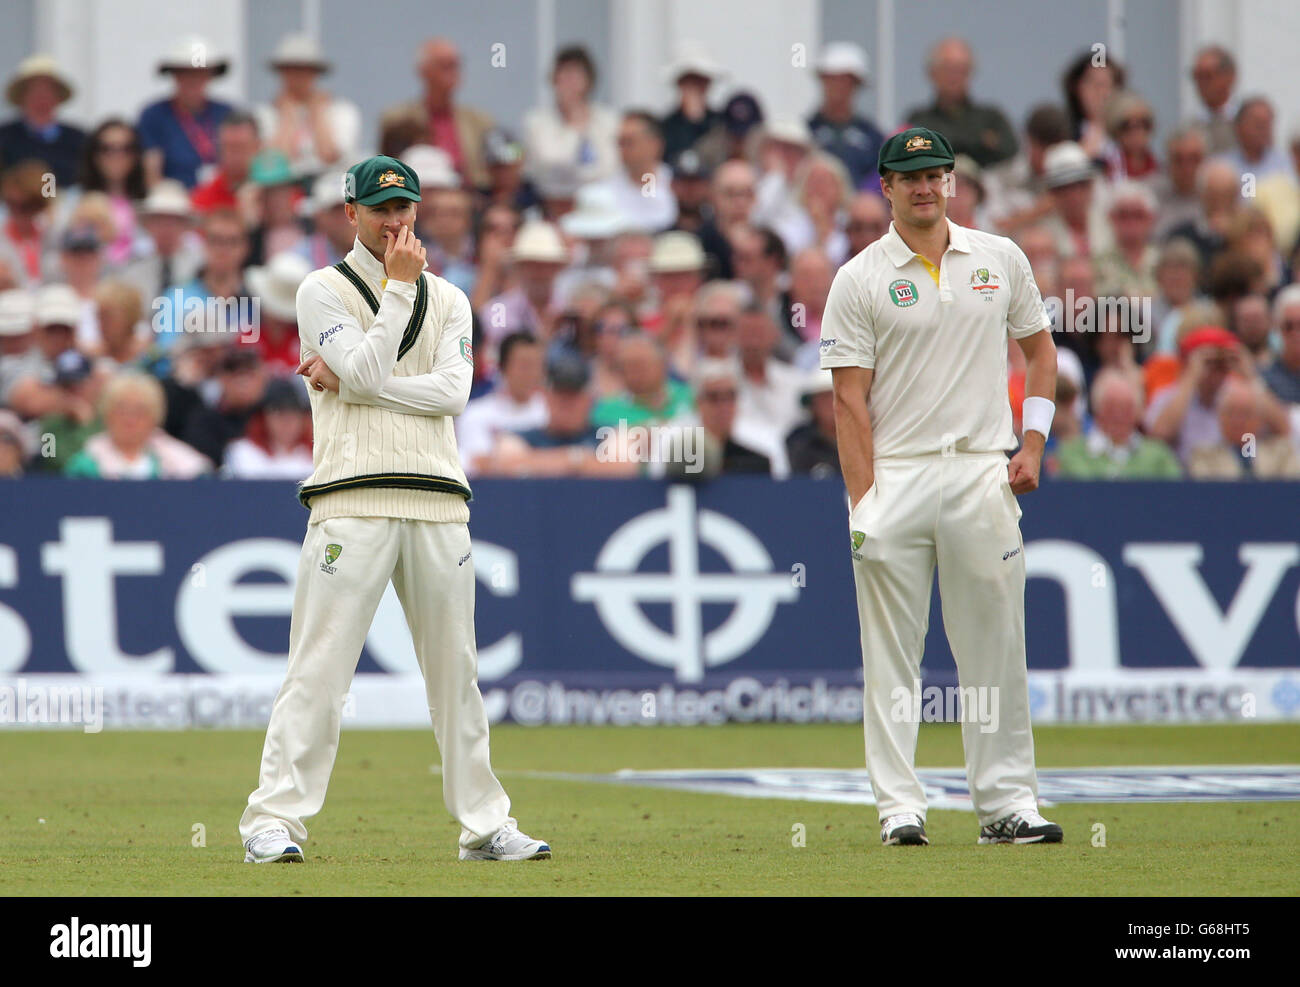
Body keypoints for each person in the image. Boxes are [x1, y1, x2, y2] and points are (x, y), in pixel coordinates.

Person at [241, 153, 548, 864]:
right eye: (381, 208)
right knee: (318, 668)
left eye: (404, 206)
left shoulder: (453, 298)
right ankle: (274, 819)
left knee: (457, 673)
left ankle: (485, 823)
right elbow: (382, 368)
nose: (396, 220)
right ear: (350, 214)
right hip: (352, 496)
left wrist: (348, 384)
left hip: (439, 499)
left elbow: (451, 395)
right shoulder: (321, 289)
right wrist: (397, 297)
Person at [820, 127, 1062, 848]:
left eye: (935, 174)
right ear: (886, 188)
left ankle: (1007, 805)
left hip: (981, 469)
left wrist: (1033, 442)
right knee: (893, 652)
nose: (924, 187)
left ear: (951, 181)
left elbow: (1040, 351)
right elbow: (847, 400)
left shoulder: (999, 257)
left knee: (994, 649)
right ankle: (900, 806)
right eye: (908, 176)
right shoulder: (860, 276)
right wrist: (865, 505)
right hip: (897, 471)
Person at [378, 39, 494, 190]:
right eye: (445, 65)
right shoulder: (397, 119)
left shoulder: (480, 121)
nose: (453, 72)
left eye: (456, 65)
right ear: (423, 71)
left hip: (468, 200)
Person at [64, 370, 209, 478]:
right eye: (121, 409)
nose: (130, 419)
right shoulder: (85, 466)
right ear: (107, 414)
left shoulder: (179, 461)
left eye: (140, 411)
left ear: (155, 417)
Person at [255, 34, 360, 179]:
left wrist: (317, 113)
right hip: (284, 189)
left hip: (329, 187)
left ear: (316, 73)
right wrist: (288, 118)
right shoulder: (264, 114)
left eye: (304, 70)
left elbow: (330, 155)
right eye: (290, 69)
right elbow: (273, 165)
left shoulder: (342, 111)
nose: (297, 76)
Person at [903, 38, 1017, 169]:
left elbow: (1010, 152)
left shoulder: (991, 117)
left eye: (961, 69)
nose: (955, 76)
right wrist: (980, 142)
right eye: (948, 69)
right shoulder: (918, 119)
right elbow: (909, 156)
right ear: (932, 73)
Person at [137, 36, 234, 188]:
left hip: (220, 199)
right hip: (176, 201)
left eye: (200, 73)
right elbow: (152, 171)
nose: (193, 80)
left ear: (210, 75)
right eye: (185, 73)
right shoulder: (154, 115)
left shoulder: (227, 113)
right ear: (174, 76)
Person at [1054, 369, 1182, 479]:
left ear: (1136, 413)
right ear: (1098, 411)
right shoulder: (1071, 453)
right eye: (1112, 409)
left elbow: (1176, 492)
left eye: (1126, 409)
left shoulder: (1159, 455)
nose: (1119, 416)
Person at [524, 46, 619, 190]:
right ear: (554, 79)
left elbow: (610, 166)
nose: (570, 82)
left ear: (589, 80)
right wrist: (573, 125)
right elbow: (548, 164)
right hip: (553, 199)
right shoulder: (537, 122)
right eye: (565, 74)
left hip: (603, 199)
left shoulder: (608, 120)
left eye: (576, 74)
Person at [1186, 376, 1300, 479]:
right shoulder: (1203, 455)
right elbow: (1204, 494)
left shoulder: (1282, 452)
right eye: (1231, 413)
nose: (1237, 421)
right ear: (1220, 418)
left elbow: (1292, 491)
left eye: (1245, 413)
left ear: (1259, 419)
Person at [0, 55, 86, 188]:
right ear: (22, 96)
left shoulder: (78, 139)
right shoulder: (5, 137)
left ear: (58, 97)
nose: (41, 97)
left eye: (48, 90)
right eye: (35, 90)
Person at [808, 42, 884, 189]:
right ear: (822, 81)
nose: (838, 86)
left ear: (857, 85)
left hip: (861, 210)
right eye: (832, 79)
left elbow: (882, 177)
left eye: (845, 81)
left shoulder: (873, 137)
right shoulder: (805, 132)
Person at [221, 376, 315, 479]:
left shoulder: (317, 457)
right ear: (263, 417)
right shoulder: (242, 453)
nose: (287, 421)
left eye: (294, 413)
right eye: (279, 413)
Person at [659, 41, 727, 166]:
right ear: (679, 83)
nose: (696, 87)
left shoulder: (722, 122)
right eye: (690, 81)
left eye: (702, 81)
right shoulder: (664, 127)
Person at [785, 368, 839, 477]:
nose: (832, 404)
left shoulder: (868, 436)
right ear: (812, 404)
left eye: (836, 397)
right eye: (824, 398)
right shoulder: (798, 441)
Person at [1190, 45, 1239, 154]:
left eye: (1208, 76)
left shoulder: (1245, 123)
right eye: (1197, 76)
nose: (1201, 83)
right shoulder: (1191, 128)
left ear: (1230, 77)